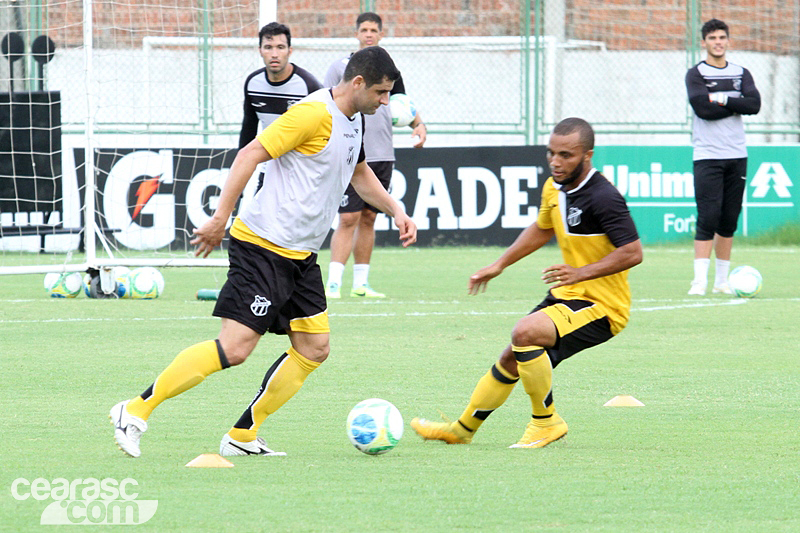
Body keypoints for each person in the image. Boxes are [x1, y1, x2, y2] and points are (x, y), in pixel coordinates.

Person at [110, 46, 417, 458]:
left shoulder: (355, 118)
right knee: (235, 348)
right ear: (358, 82)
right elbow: (249, 154)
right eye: (381, 92)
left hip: (300, 255)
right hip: (262, 246)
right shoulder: (312, 114)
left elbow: (359, 173)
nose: (386, 102)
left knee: (314, 348)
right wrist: (220, 218)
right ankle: (134, 410)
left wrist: (396, 209)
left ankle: (243, 434)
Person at [411, 118, 642, 448]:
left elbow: (633, 252)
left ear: (587, 156)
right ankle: (461, 430)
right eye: (551, 153)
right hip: (569, 295)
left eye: (566, 155)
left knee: (525, 333)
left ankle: (546, 423)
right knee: (512, 357)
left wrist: (580, 272)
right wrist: (499, 265)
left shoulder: (604, 197)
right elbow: (542, 228)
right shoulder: (554, 187)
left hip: (603, 307)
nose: (555, 162)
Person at [323, 12, 427, 299]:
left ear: (381, 34)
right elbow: (327, 102)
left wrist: (419, 125)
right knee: (348, 218)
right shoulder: (340, 68)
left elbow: (403, 104)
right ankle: (333, 283)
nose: (368, 34)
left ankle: (361, 283)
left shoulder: (389, 71)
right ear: (357, 33)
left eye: (373, 30)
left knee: (369, 218)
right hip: (352, 152)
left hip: (383, 153)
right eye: (364, 30)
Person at [685, 18, 760, 295]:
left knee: (729, 219)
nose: (718, 42)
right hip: (707, 155)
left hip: (737, 154)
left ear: (728, 40)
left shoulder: (741, 73)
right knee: (708, 216)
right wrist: (737, 104)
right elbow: (703, 109)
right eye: (712, 38)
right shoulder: (696, 74)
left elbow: (754, 105)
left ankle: (721, 282)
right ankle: (699, 282)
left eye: (721, 37)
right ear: (704, 42)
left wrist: (722, 99)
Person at [239, 22, 323, 192]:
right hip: (269, 171)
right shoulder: (253, 83)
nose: (274, 54)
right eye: (268, 47)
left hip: (304, 174)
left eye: (280, 47)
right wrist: (239, 179)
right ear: (260, 50)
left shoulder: (309, 86)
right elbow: (248, 130)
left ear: (289, 51)